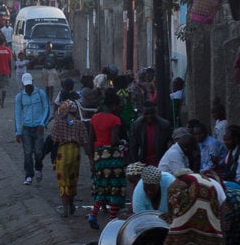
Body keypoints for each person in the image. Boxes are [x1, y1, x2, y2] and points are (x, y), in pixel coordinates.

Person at [158, 172, 227, 245]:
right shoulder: (217, 186)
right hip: (205, 207)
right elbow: (220, 215)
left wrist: (173, 219)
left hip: (188, 201)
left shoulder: (177, 184)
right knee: (209, 241)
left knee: (180, 239)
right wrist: (219, 235)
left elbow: (174, 209)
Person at [87, 92, 124, 228]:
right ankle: (112, 219)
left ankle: (93, 214)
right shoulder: (115, 120)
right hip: (112, 157)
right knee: (115, 187)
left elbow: (90, 140)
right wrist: (122, 141)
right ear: (113, 106)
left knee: (101, 187)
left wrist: (91, 159)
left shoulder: (94, 118)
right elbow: (114, 140)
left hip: (99, 156)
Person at [51, 100, 91, 217]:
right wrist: (90, 159)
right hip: (75, 154)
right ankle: (72, 203)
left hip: (62, 154)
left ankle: (65, 209)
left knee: (63, 180)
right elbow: (86, 142)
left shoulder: (58, 123)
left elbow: (54, 139)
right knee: (72, 179)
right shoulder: (80, 124)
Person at [14, 73, 51, 185]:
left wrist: (42, 123)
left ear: (32, 82)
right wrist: (18, 132)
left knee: (39, 152)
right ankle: (29, 175)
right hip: (26, 128)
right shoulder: (19, 97)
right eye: (26, 86)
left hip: (38, 128)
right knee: (28, 152)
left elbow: (47, 108)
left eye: (29, 85)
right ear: (23, 85)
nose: (28, 88)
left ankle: (38, 167)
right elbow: (17, 114)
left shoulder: (40, 93)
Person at [127, 103, 172, 167]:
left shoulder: (164, 125)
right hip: (144, 163)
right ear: (142, 113)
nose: (149, 116)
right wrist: (135, 163)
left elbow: (170, 143)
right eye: (146, 114)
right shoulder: (137, 126)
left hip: (161, 161)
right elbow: (133, 146)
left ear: (155, 113)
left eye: (151, 113)